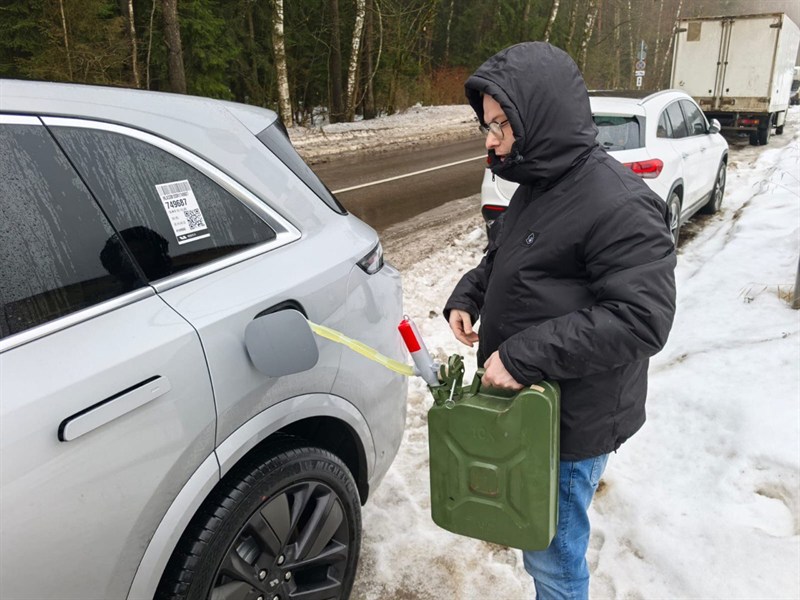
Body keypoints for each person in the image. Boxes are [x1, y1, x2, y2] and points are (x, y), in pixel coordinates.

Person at [444, 42, 677, 599]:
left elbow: (642, 319)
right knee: (543, 543)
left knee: (553, 559)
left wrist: (524, 355)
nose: (490, 138)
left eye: (501, 124)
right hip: (537, 411)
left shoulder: (619, 203)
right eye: (486, 124)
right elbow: (506, 254)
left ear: (540, 116)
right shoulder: (540, 185)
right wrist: (469, 293)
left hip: (571, 421)